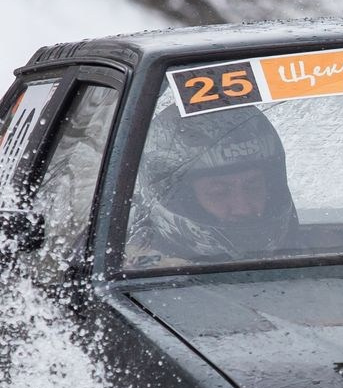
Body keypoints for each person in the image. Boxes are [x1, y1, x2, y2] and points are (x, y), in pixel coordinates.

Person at [122, 104, 301, 266]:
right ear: (182, 200)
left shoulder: (306, 255)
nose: (243, 207)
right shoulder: (136, 273)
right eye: (219, 193)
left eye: (253, 187)